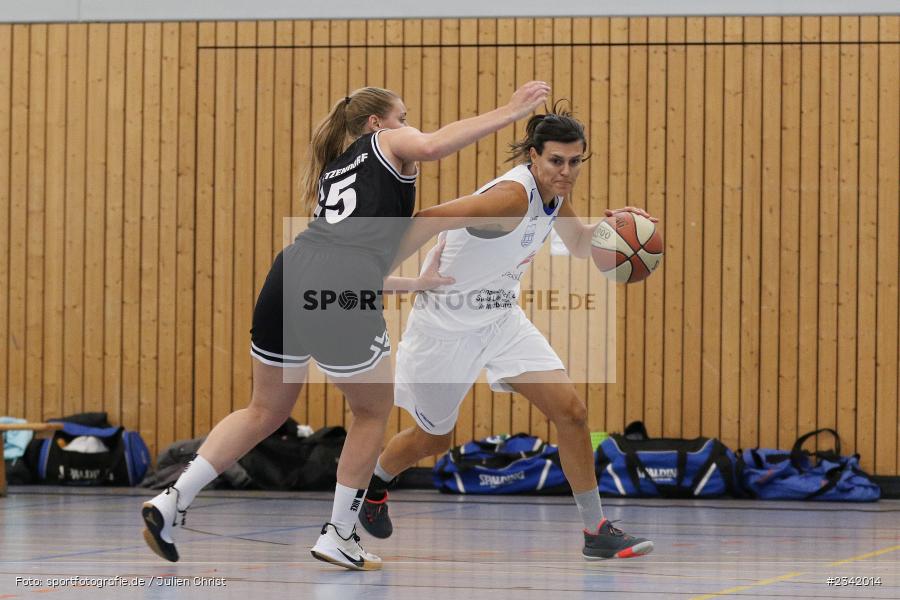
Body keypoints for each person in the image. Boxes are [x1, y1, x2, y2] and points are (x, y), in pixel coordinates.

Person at [140, 81, 551, 571]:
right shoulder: (385, 142)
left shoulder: (340, 169)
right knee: (372, 413)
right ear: (377, 123)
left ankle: (172, 499)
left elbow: (353, 262)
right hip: (337, 282)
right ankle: (338, 533)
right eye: (403, 116)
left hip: (290, 271)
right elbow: (435, 145)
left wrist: (415, 283)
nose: (408, 125)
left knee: (263, 409)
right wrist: (508, 112)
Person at [359, 105, 656, 560]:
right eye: (557, 161)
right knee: (433, 438)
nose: (566, 171)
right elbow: (430, 216)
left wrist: (617, 231)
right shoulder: (511, 198)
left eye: (576, 162)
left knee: (572, 412)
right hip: (445, 326)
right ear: (534, 156)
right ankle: (376, 486)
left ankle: (596, 530)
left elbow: (579, 244)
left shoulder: (552, 194)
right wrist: (377, 274)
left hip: (500, 319)